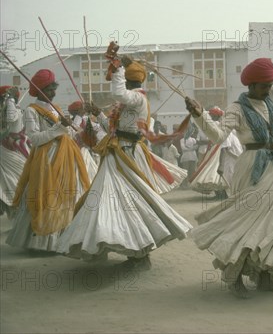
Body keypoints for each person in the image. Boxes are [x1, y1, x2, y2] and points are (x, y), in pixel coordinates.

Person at [184, 22, 273, 298]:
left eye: (269, 85)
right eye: (263, 86)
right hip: (250, 168)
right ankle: (235, 277)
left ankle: (266, 276)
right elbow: (217, 135)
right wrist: (200, 115)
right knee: (246, 223)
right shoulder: (236, 108)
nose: (267, 89)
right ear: (251, 84)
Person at [57, 57, 192, 270]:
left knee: (128, 202)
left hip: (126, 154)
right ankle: (106, 244)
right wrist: (97, 113)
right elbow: (114, 128)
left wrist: (118, 68)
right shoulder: (129, 103)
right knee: (106, 199)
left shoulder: (137, 98)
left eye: (123, 80)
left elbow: (117, 94)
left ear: (128, 82)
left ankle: (138, 252)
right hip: (116, 153)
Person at [6, 70, 90, 252]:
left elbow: (69, 131)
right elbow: (35, 139)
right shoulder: (31, 110)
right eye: (49, 89)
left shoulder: (56, 108)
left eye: (53, 88)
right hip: (46, 158)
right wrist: (59, 127)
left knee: (64, 197)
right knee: (45, 196)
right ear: (40, 90)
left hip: (66, 156)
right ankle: (41, 244)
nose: (52, 92)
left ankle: (62, 240)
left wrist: (76, 118)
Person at [0, 86, 29, 216]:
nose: (17, 98)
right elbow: (11, 118)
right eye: (15, 96)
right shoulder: (8, 109)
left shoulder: (8, 110)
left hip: (16, 147)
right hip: (8, 150)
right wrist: (10, 99)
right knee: (18, 178)